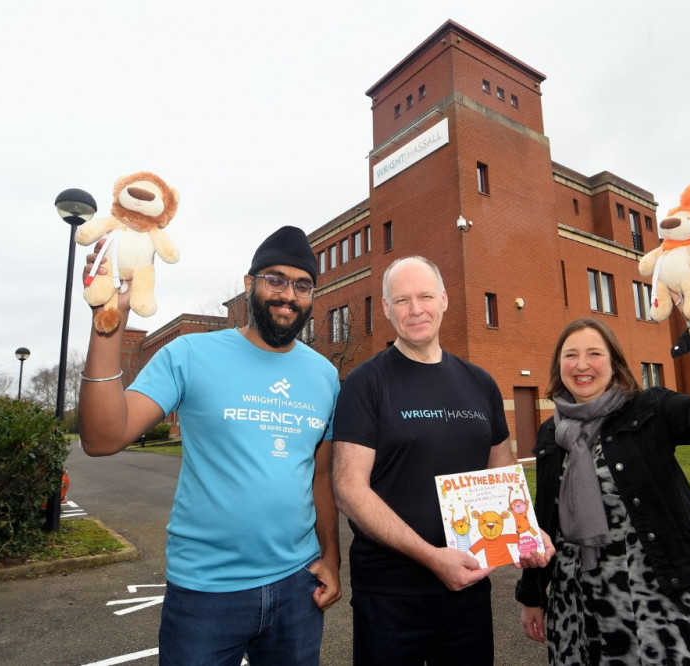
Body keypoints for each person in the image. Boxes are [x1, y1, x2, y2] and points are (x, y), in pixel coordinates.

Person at [78, 226, 341, 665]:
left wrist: (332, 559)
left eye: (302, 285)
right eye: (275, 279)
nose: (288, 295)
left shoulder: (324, 375)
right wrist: (108, 324)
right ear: (249, 284)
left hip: (298, 586)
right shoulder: (189, 355)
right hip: (206, 592)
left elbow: (322, 476)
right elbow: (103, 438)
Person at [332, 255, 553, 666]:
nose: (415, 309)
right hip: (390, 594)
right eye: (401, 300)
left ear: (445, 300)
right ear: (385, 308)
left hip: (467, 586)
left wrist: (528, 530)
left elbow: (502, 473)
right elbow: (348, 488)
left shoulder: (479, 383)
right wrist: (431, 557)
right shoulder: (366, 383)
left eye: (425, 296)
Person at [516, 288, 690, 665]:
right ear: (559, 366)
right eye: (570, 355)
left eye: (594, 354)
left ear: (614, 362)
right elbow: (545, 521)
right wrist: (532, 596)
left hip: (655, 595)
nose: (581, 364)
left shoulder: (648, 409)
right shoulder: (551, 432)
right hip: (576, 602)